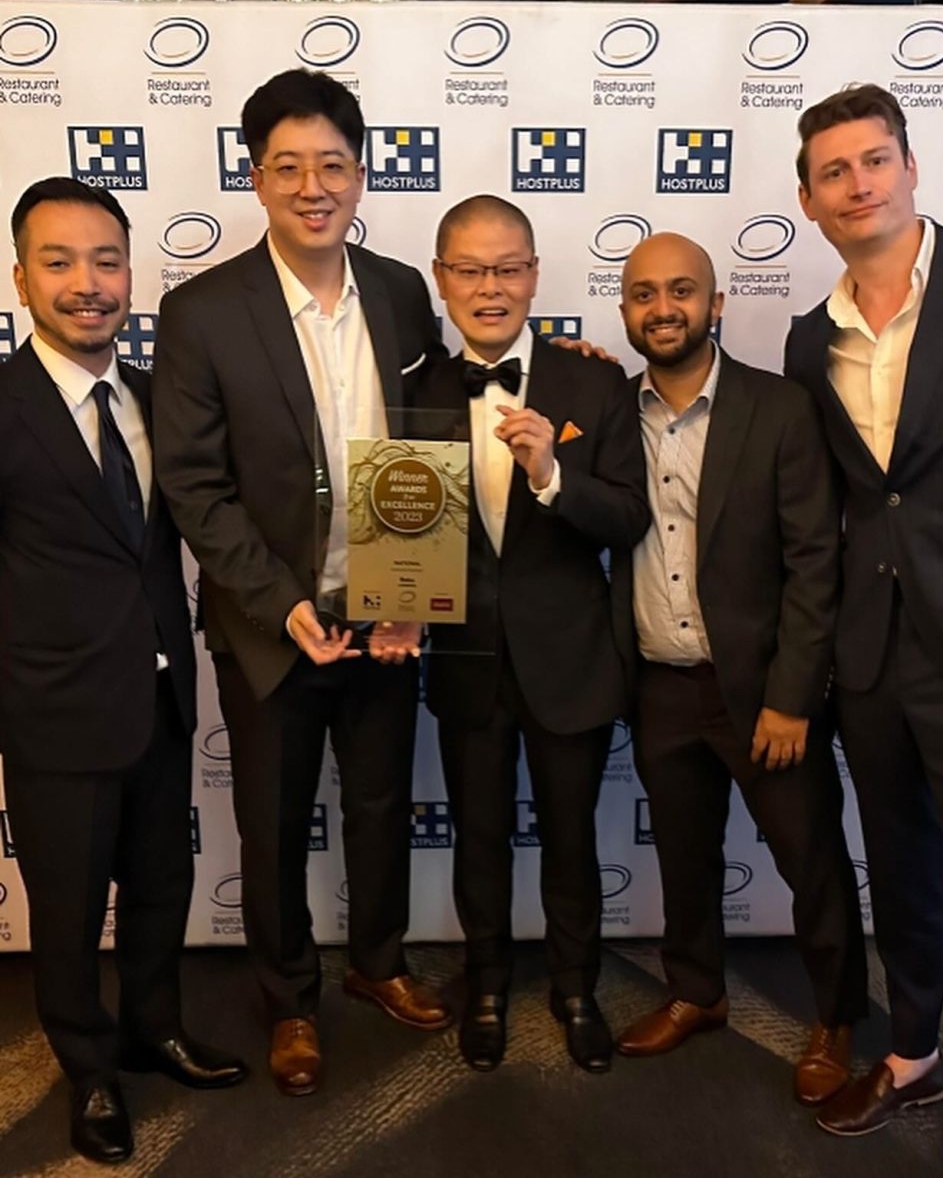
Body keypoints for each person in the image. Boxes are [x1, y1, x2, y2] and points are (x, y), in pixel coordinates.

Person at [151, 69, 451, 1098]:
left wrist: (412, 585)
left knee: (377, 803)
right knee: (274, 825)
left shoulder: (406, 292)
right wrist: (277, 599)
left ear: (361, 172)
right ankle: (288, 1003)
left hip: (387, 613)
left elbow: (431, 438)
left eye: (333, 163)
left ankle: (378, 964)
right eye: (289, 166)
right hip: (268, 620)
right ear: (256, 176)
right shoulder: (200, 310)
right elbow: (194, 482)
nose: (314, 185)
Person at [0, 178, 246, 1165]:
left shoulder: (154, 397)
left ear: (131, 273)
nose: (87, 283)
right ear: (21, 278)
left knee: (159, 881)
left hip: (160, 695)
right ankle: (90, 1066)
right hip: (53, 710)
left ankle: (154, 1027)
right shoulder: (4, 405)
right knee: (65, 907)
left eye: (106, 260)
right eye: (59, 261)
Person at [614, 232, 867, 1108]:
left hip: (763, 693)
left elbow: (814, 565)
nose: (662, 308)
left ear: (715, 304)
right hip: (658, 685)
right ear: (623, 314)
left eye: (681, 291)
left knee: (812, 861)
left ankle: (837, 1014)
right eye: (643, 294)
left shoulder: (779, 409)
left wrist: (792, 700)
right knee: (684, 856)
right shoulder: (609, 413)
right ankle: (697, 992)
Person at [417, 194, 649, 1074]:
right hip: (466, 659)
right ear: (441, 279)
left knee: (571, 837)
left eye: (508, 267)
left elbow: (627, 518)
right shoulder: (414, 393)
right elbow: (395, 533)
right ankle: (483, 987)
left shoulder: (592, 381)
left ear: (535, 274)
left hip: (569, 659)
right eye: (469, 270)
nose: (490, 287)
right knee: (477, 836)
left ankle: (577, 988)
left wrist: (554, 477)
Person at [785, 84, 943, 1136]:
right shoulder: (814, 340)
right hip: (875, 654)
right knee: (898, 867)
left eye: (874, 160)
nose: (858, 184)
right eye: (834, 172)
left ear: (912, 166)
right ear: (808, 202)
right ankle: (915, 1055)